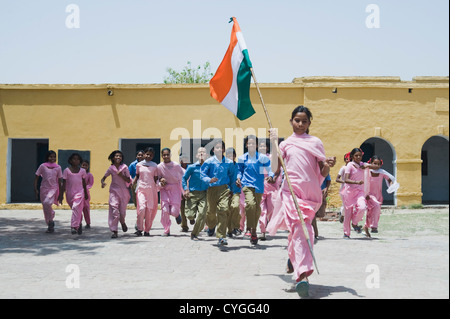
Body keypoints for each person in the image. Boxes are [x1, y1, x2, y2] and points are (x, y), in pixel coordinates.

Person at [267, 105, 336, 298]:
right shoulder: (285, 144)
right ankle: (303, 275)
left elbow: (322, 171)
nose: (300, 124)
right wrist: (273, 143)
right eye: (297, 120)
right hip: (291, 193)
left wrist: (328, 166)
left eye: (304, 121)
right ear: (291, 121)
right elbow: (276, 169)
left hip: (310, 195)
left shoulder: (315, 142)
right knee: (303, 230)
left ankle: (293, 258)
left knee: (299, 231)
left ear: (309, 123)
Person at [236, 135, 271, 245]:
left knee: (256, 209)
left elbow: (269, 168)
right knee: (250, 204)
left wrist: (271, 175)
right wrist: (238, 178)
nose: (251, 145)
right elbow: (239, 171)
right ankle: (251, 229)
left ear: (256, 145)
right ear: (246, 145)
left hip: (259, 186)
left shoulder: (262, 158)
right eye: (249, 143)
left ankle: (254, 231)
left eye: (253, 143)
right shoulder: (242, 158)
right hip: (247, 185)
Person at [200, 139, 234, 246]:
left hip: (224, 189)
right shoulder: (209, 162)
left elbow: (232, 175)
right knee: (210, 213)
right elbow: (202, 174)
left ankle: (221, 236)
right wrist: (208, 180)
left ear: (224, 149)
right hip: (212, 190)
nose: (219, 149)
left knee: (223, 210)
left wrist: (232, 189)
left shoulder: (228, 162)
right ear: (213, 150)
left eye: (221, 147)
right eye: (217, 147)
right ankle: (211, 226)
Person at [341, 148, 378, 239]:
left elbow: (376, 167)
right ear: (352, 156)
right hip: (349, 192)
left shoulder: (363, 164)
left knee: (362, 207)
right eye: (356, 155)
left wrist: (367, 166)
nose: (358, 157)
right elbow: (346, 179)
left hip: (360, 192)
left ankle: (354, 223)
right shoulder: (350, 165)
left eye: (360, 155)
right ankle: (346, 233)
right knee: (348, 213)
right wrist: (356, 182)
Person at [101, 150, 132, 238]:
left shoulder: (124, 167)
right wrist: (102, 183)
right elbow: (103, 178)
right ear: (113, 158)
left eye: (120, 156)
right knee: (114, 210)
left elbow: (129, 180)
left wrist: (121, 175)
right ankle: (114, 230)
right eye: (116, 156)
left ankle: (122, 221)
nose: (118, 157)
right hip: (114, 191)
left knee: (122, 212)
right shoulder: (111, 168)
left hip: (123, 192)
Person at [364, 155, 396, 236]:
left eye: (378, 164)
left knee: (372, 212)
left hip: (378, 196)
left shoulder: (382, 172)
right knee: (376, 206)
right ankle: (374, 227)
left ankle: (366, 226)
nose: (376, 166)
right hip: (369, 195)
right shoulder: (366, 171)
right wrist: (365, 193)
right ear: (370, 163)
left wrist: (392, 186)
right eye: (374, 163)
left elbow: (390, 179)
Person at [182, 147, 209, 240]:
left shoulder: (209, 167)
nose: (202, 153)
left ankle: (195, 233)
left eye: (204, 152)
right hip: (192, 194)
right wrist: (186, 189)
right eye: (200, 152)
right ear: (197, 155)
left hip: (204, 194)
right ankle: (191, 218)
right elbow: (184, 178)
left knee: (202, 214)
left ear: (207, 155)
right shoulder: (191, 167)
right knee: (189, 215)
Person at [132, 147, 159, 236]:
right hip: (141, 189)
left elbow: (156, 179)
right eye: (147, 154)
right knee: (141, 208)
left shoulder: (155, 166)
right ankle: (139, 229)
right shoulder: (139, 165)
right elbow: (137, 176)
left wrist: (160, 185)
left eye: (150, 155)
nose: (148, 156)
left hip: (151, 190)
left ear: (153, 156)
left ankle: (147, 230)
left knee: (149, 210)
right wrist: (132, 183)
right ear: (144, 154)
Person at [34, 150, 63, 233]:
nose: (52, 158)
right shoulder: (42, 166)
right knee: (45, 207)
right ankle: (50, 224)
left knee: (47, 203)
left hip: (53, 189)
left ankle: (52, 214)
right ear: (47, 157)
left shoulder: (58, 167)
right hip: (43, 188)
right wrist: (35, 188)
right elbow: (36, 177)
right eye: (51, 156)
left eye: (54, 157)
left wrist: (61, 193)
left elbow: (60, 180)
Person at [258, 139, 281, 241]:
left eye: (264, 146)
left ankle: (270, 226)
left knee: (272, 209)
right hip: (259, 187)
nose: (262, 148)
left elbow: (276, 169)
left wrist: (273, 178)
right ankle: (262, 231)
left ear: (267, 148)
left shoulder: (271, 157)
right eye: (260, 146)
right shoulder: (255, 158)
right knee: (262, 210)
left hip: (271, 187)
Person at [157, 148, 184, 236]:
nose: (166, 156)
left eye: (167, 154)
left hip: (175, 189)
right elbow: (157, 178)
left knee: (174, 211)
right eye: (164, 155)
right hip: (164, 189)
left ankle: (177, 215)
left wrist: (184, 191)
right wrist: (161, 180)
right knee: (165, 210)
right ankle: (166, 230)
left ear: (170, 155)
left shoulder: (176, 165)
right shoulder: (159, 166)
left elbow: (182, 177)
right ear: (162, 156)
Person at [60, 153, 88, 235]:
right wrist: (61, 195)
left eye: (78, 159)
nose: (76, 160)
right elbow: (64, 183)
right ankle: (79, 223)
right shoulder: (66, 171)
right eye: (74, 159)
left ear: (80, 161)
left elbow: (84, 183)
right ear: (70, 160)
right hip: (69, 194)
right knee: (76, 209)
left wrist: (86, 193)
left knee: (76, 207)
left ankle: (73, 226)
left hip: (80, 192)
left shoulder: (82, 171)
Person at [225, 147, 242, 238]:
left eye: (232, 155)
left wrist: (239, 180)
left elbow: (241, 174)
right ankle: (229, 229)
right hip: (227, 192)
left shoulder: (238, 166)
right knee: (228, 211)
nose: (230, 157)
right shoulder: (225, 166)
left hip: (236, 191)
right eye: (228, 155)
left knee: (235, 207)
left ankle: (236, 226)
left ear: (235, 156)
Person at [311, 173, 331, 239]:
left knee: (321, 214)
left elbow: (328, 179)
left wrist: (326, 189)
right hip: (311, 192)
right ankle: (314, 233)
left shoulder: (324, 168)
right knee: (312, 213)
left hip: (321, 193)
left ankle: (313, 231)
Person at [335, 152, 351, 223]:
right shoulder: (343, 168)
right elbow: (337, 179)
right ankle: (342, 214)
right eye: (347, 159)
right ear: (345, 160)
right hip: (344, 189)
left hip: (352, 189)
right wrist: (345, 181)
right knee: (345, 204)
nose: (349, 160)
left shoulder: (354, 168)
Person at [81, 160, 94, 229]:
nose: (84, 166)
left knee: (86, 209)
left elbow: (90, 184)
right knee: (78, 209)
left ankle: (88, 223)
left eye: (86, 165)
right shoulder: (78, 174)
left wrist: (85, 188)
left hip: (86, 194)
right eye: (83, 165)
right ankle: (78, 222)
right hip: (78, 193)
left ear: (88, 166)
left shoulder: (89, 175)